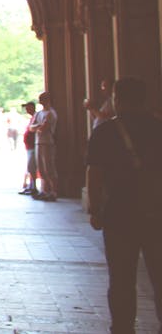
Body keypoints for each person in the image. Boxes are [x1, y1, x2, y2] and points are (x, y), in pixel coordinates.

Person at [85, 77, 162, 334]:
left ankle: (122, 328)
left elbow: (94, 174)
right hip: (156, 211)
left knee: (121, 279)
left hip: (120, 213)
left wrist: (94, 208)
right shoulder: (157, 128)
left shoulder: (105, 131)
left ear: (118, 99)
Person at [31, 91, 59, 201]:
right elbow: (31, 128)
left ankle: (54, 192)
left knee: (49, 168)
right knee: (41, 168)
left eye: (42, 99)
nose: (40, 101)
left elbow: (44, 128)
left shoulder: (51, 113)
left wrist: (37, 127)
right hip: (38, 142)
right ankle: (45, 191)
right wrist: (38, 126)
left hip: (47, 142)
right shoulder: (39, 114)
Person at [20, 101, 39, 196]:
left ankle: (33, 187)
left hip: (33, 146)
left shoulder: (36, 117)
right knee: (30, 167)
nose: (26, 110)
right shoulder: (32, 118)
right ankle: (31, 186)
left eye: (28, 108)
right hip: (29, 146)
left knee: (32, 167)